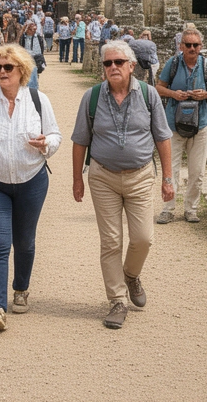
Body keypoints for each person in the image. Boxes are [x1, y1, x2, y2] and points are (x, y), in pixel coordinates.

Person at [70, 40, 174, 330]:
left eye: (118, 62)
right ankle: (117, 300)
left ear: (131, 66)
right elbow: (80, 140)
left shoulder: (148, 94)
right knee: (111, 241)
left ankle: (131, 274)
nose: (113, 67)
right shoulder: (91, 97)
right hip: (103, 176)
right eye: (107, 63)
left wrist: (168, 177)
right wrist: (77, 178)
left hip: (140, 175)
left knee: (143, 238)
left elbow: (162, 137)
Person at [0, 43, 61, 330]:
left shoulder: (38, 100)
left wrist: (46, 144)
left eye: (8, 67)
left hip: (32, 180)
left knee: (25, 243)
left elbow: (55, 134)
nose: (2, 72)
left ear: (21, 70)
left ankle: (21, 288)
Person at [153, 26, 207, 225]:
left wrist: (206, 95)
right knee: (171, 169)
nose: (192, 48)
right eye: (188, 45)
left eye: (195, 45)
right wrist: (174, 94)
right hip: (173, 124)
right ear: (181, 46)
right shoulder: (172, 64)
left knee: (197, 171)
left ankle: (191, 209)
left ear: (201, 46)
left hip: (200, 124)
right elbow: (158, 88)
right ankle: (168, 209)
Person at [18, 21, 45, 90]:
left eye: (34, 28)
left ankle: (33, 89)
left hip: (36, 58)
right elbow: (17, 43)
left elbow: (42, 48)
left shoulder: (38, 37)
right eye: (30, 29)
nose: (32, 30)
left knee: (34, 73)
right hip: (26, 58)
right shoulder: (23, 37)